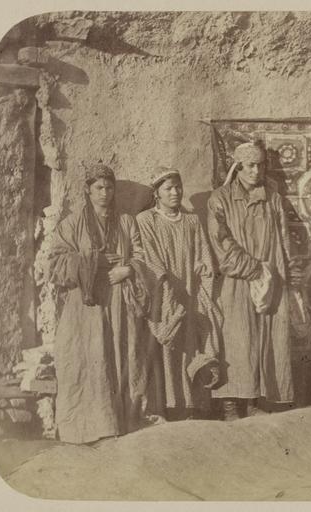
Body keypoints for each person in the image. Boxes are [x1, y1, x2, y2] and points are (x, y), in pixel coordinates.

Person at [48, 164, 156, 443]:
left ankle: (122, 422)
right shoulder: (72, 224)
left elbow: (142, 256)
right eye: (99, 187)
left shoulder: (126, 222)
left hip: (120, 301)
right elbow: (56, 263)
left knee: (122, 357)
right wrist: (92, 262)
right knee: (89, 359)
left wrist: (128, 270)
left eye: (109, 187)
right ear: (88, 190)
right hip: (87, 306)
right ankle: (89, 427)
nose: (105, 192)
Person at [207, 142, 298, 418]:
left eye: (260, 165)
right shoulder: (220, 199)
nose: (256, 171)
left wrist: (285, 271)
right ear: (238, 167)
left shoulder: (272, 198)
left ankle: (253, 402)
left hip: (270, 276)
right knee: (236, 338)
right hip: (235, 279)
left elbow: (283, 237)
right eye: (250, 165)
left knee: (265, 337)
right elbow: (221, 241)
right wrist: (252, 268)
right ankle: (230, 405)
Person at [136, 167, 221, 421]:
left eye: (178, 187)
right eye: (168, 189)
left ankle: (189, 405)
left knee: (190, 345)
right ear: (157, 193)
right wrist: (166, 289)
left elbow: (204, 254)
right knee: (165, 345)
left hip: (190, 292)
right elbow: (149, 257)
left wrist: (203, 268)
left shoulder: (192, 221)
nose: (175, 192)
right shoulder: (146, 220)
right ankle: (166, 406)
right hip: (163, 293)